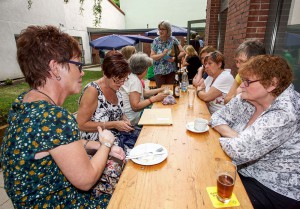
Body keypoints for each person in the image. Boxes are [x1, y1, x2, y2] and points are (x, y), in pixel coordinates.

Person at [0, 25, 125, 208]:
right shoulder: (52, 117)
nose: (82, 72)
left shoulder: (25, 103)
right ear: (55, 67)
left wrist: (97, 145)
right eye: (78, 65)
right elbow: (87, 179)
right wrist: (106, 143)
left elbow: (60, 144)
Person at [210, 55, 300, 209]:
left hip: (274, 187)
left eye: (248, 81)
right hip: (245, 171)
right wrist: (237, 137)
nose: (241, 86)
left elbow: (238, 150)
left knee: (212, 199)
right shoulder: (248, 97)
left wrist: (236, 141)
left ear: (272, 84)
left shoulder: (286, 112)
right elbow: (216, 117)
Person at [77, 51, 135, 152]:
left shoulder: (117, 89)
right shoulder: (92, 91)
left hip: (114, 137)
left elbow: (119, 114)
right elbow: (81, 124)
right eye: (117, 80)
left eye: (124, 79)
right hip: (97, 143)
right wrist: (114, 124)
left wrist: (125, 120)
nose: (121, 83)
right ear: (105, 74)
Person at [119, 52, 168, 126]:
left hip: (127, 116)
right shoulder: (135, 82)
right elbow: (135, 107)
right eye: (147, 67)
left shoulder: (131, 77)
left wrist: (160, 89)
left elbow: (144, 93)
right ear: (143, 69)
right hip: (133, 119)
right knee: (162, 113)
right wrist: (154, 99)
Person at [224, 39, 266, 104]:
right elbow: (226, 100)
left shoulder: (266, 82)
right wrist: (236, 96)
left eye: (242, 61)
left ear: (256, 62)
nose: (237, 65)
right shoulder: (240, 76)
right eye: (237, 61)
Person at [150, 20, 185, 88]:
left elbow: (183, 52)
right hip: (159, 71)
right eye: (159, 29)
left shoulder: (173, 40)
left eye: (163, 29)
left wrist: (175, 57)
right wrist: (162, 54)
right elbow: (152, 56)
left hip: (171, 70)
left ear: (168, 30)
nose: (160, 31)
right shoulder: (156, 40)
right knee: (161, 91)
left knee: (170, 90)